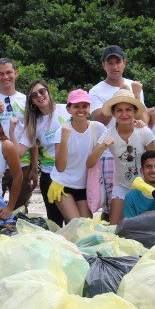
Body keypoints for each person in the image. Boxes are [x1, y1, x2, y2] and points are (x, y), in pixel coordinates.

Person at [95, 90, 155, 224]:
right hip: (121, 185)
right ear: (113, 113)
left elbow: (154, 161)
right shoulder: (108, 134)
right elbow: (90, 162)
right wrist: (102, 146)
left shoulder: (144, 132)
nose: (124, 114)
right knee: (115, 227)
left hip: (144, 185)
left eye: (128, 110)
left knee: (143, 226)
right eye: (119, 110)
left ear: (134, 112)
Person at [51, 90, 106, 222]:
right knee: (75, 224)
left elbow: (117, 132)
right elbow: (60, 167)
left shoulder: (97, 128)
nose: (81, 110)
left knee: (86, 226)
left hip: (84, 186)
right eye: (76, 106)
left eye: (84, 106)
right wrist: (64, 140)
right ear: (68, 109)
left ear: (89, 108)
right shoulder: (62, 131)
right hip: (63, 184)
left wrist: (138, 124)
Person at [21, 79, 69, 224]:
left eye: (42, 91)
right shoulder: (34, 123)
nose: (39, 96)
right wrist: (10, 132)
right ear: (31, 101)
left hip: (74, 172)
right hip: (50, 175)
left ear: (48, 91)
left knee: (76, 220)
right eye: (34, 95)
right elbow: (20, 150)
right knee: (55, 222)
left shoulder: (66, 109)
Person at [88, 45, 143, 124]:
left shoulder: (135, 86)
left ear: (124, 63)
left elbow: (142, 121)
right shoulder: (95, 91)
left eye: (118, 62)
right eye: (110, 63)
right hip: (108, 136)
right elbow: (98, 122)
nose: (114, 67)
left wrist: (136, 96)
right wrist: (118, 97)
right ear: (104, 65)